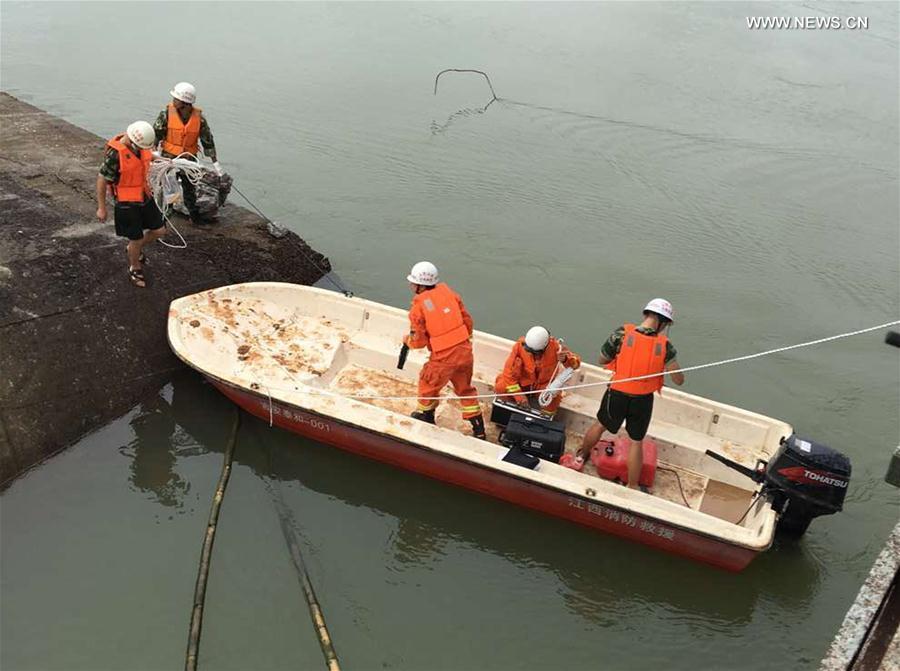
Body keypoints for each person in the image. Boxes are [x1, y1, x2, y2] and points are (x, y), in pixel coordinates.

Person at [571, 299, 684, 489]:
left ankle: (581, 456)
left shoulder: (622, 334)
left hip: (617, 393)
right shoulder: (665, 346)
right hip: (642, 399)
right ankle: (632, 486)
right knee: (636, 442)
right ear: (663, 322)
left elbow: (602, 359)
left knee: (600, 425)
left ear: (646, 314)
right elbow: (679, 379)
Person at [404, 261, 486, 439]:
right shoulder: (449, 294)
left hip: (443, 358)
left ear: (419, 285)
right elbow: (468, 322)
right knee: (466, 390)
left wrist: (408, 341)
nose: (410, 285)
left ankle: (426, 417)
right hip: (465, 352)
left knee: (427, 384)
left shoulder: (418, 308)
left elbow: (419, 342)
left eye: (413, 282)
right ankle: (479, 430)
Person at [96, 121, 166, 288]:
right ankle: (135, 267)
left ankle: (133, 249)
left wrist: (161, 160)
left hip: (144, 195)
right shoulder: (115, 156)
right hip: (126, 202)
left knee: (159, 230)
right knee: (136, 238)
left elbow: (146, 156)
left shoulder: (140, 146)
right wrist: (101, 208)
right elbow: (102, 180)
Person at [153, 81, 222, 224]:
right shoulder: (166, 115)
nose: (173, 100)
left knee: (189, 187)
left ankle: (194, 215)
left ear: (185, 102)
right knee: (168, 187)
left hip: (189, 160)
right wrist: (154, 154)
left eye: (176, 98)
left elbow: (207, 140)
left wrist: (216, 164)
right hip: (169, 159)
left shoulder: (199, 119)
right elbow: (156, 134)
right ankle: (164, 215)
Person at [494, 326, 581, 417]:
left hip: (543, 385)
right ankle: (511, 411)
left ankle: (543, 419)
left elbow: (575, 365)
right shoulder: (519, 347)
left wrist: (565, 359)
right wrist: (519, 397)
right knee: (500, 387)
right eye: (528, 350)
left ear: (545, 346)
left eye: (536, 352)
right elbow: (508, 374)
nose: (532, 354)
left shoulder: (556, 348)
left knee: (552, 400)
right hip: (522, 382)